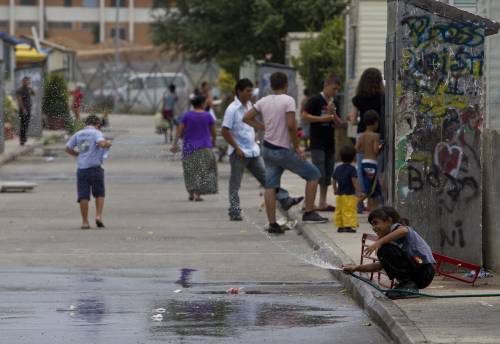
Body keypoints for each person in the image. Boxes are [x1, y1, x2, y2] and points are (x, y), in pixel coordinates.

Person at [244, 72, 327, 234]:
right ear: (286, 85)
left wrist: (263, 127)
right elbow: (291, 125)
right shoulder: (288, 100)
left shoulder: (263, 101)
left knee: (270, 185)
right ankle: (309, 212)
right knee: (313, 175)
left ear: (271, 85)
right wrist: (297, 147)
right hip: (283, 149)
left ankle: (273, 223)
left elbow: (246, 117)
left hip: (267, 149)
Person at [222, 78, 303, 221]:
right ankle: (234, 210)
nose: (250, 94)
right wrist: (236, 148)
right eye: (247, 91)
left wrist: (262, 129)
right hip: (239, 153)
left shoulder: (249, 106)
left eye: (251, 91)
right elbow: (225, 131)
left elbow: (252, 124)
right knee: (235, 183)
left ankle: (285, 199)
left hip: (253, 151)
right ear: (239, 91)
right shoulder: (232, 109)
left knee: (267, 179)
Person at [342, 207, 436, 299]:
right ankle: (406, 284)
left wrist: (379, 242)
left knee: (385, 249)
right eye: (372, 225)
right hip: (419, 273)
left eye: (376, 223)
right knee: (384, 250)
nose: (374, 228)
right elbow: (380, 265)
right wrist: (355, 268)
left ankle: (408, 285)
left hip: (424, 270)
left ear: (389, 221)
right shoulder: (391, 239)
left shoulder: (399, 228)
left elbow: (404, 230)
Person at [302, 74, 343, 212]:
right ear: (326, 85)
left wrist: (333, 114)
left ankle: (322, 202)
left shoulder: (334, 102)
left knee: (327, 173)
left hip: (329, 142)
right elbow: (305, 115)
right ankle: (309, 202)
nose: (335, 92)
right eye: (333, 88)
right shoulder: (316, 100)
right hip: (317, 142)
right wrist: (323, 118)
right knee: (317, 172)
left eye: (337, 89)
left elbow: (339, 124)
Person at [65, 115, 112, 230]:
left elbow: (67, 148)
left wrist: (78, 155)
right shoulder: (96, 133)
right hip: (95, 168)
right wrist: (108, 143)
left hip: (82, 169)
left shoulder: (78, 134)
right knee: (99, 194)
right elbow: (101, 144)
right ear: (97, 124)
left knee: (83, 196)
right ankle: (98, 216)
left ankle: (85, 222)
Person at [171, 95, 218, 201]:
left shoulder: (186, 116)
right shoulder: (208, 116)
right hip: (204, 147)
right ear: (202, 104)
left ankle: (191, 192)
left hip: (189, 147)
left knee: (190, 170)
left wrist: (175, 144)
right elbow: (214, 132)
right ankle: (198, 194)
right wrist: (213, 142)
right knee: (202, 170)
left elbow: (179, 130)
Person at [332, 145, 365, 233]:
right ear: (353, 157)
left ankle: (340, 226)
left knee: (339, 210)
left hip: (339, 195)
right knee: (349, 210)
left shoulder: (338, 168)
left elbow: (334, 180)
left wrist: (335, 189)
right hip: (349, 195)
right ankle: (347, 226)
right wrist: (359, 191)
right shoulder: (352, 169)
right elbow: (354, 181)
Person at [355, 110, 381, 211]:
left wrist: (366, 149)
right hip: (372, 164)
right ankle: (355, 204)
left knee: (374, 189)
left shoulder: (362, 135)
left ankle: (372, 208)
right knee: (370, 190)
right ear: (375, 123)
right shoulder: (375, 136)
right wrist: (380, 146)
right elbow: (375, 150)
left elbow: (356, 149)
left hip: (364, 163)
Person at [15, 76, 35, 146]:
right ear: (23, 82)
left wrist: (31, 87)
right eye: (26, 81)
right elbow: (19, 100)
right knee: (23, 124)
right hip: (23, 109)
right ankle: (22, 140)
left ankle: (24, 138)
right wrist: (23, 109)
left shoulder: (29, 89)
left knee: (26, 124)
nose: (27, 82)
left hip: (28, 109)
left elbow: (34, 93)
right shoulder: (20, 90)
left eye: (28, 81)